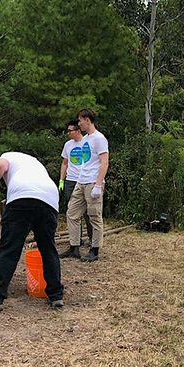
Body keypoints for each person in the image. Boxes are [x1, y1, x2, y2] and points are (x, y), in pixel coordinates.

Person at [0, 151, 65, 312]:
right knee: (48, 248)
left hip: (22, 199)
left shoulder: (7, 156)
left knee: (10, 249)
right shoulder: (34, 163)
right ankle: (56, 295)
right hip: (49, 199)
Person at [69, 108, 109, 262]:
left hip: (93, 182)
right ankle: (74, 247)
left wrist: (98, 185)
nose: (79, 124)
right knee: (72, 213)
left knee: (94, 216)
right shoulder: (85, 139)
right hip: (82, 181)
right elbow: (85, 162)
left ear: (87, 120)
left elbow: (104, 162)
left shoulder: (99, 139)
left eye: (80, 120)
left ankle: (95, 249)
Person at [57, 120, 92, 260]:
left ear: (78, 130)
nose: (68, 133)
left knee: (88, 213)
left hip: (84, 180)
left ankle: (91, 238)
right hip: (71, 181)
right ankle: (76, 242)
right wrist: (61, 180)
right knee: (72, 212)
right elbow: (64, 163)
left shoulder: (87, 143)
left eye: (70, 130)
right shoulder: (68, 145)